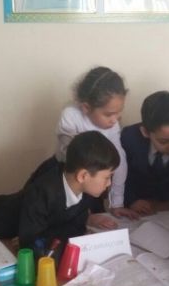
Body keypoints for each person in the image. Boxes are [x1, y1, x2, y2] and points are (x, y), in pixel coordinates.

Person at [0, 131, 119, 254]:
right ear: (83, 176)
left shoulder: (85, 190)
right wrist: (43, 239)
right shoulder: (42, 192)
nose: (109, 183)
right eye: (107, 177)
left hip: (23, 231)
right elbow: (31, 244)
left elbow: (75, 228)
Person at [29, 66, 136, 226]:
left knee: (96, 223)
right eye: (109, 114)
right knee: (52, 217)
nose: (115, 120)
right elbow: (74, 158)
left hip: (91, 178)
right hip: (64, 174)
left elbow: (119, 161)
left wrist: (117, 203)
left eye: (119, 113)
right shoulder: (71, 115)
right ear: (86, 107)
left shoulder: (112, 125)